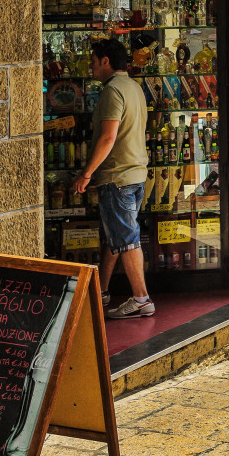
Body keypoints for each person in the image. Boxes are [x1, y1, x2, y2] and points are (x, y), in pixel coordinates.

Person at [72, 39, 153, 319]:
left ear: (105, 61)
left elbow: (108, 137)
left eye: (93, 60)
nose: (90, 65)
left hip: (117, 176)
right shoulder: (134, 87)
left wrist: (86, 173)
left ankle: (142, 299)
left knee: (127, 240)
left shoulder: (112, 91)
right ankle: (102, 291)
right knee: (116, 236)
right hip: (135, 173)